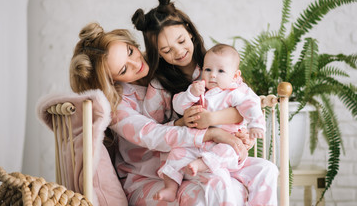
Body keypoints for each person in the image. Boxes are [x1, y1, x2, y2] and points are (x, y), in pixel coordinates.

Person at [70, 22, 253, 205]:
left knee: (251, 178)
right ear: (111, 79)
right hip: (147, 178)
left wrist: (236, 131)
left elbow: (226, 98)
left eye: (130, 51)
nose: (136, 63)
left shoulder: (165, 64)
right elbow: (154, 136)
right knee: (200, 198)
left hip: (190, 164)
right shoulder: (116, 106)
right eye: (123, 69)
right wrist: (211, 133)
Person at [133, 0, 279, 205]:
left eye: (181, 41)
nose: (179, 51)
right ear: (158, 54)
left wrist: (241, 131)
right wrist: (182, 122)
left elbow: (243, 104)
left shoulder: (216, 64)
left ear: (190, 32)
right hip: (192, 155)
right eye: (166, 50)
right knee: (218, 182)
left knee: (268, 169)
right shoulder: (159, 86)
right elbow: (154, 132)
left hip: (226, 151)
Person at [151, 43, 266, 202]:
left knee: (227, 151)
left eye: (220, 71)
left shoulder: (235, 92)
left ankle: (203, 164)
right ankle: (170, 188)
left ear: (234, 76)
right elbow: (178, 105)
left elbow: (252, 105)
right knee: (176, 153)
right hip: (198, 143)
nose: (212, 75)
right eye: (208, 70)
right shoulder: (199, 89)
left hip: (226, 142)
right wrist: (191, 94)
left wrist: (256, 125)